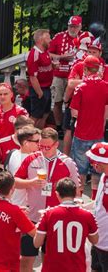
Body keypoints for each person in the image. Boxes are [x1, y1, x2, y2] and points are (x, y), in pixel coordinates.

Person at [14, 127, 80, 271]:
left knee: (49, 261)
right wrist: (30, 183)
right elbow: (14, 182)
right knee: (25, 260)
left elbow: (77, 192)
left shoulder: (68, 163)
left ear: (56, 145)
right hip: (32, 219)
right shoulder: (31, 158)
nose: (43, 149)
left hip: (55, 221)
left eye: (47, 147)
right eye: (40, 145)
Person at [34, 178, 99, 272]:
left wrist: (39, 224)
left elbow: (37, 243)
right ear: (75, 193)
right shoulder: (87, 215)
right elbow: (95, 240)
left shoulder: (48, 214)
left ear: (57, 194)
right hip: (77, 267)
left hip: (52, 268)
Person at [70, 55, 108, 199]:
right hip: (98, 134)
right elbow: (106, 110)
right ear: (98, 69)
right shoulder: (105, 86)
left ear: (85, 69)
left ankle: (79, 199)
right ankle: (94, 199)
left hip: (81, 134)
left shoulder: (81, 87)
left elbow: (74, 112)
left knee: (80, 170)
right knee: (97, 170)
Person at [0, 171, 36, 271]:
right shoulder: (14, 211)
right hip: (6, 264)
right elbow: (34, 233)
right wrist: (43, 218)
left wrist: (18, 211)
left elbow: (1, 208)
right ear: (12, 189)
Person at [49, 16, 83, 135]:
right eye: (70, 26)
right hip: (59, 75)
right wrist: (63, 57)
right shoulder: (59, 37)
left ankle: (71, 125)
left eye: (75, 26)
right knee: (58, 101)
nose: (72, 29)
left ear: (80, 27)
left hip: (76, 77)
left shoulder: (85, 38)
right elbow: (48, 53)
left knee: (74, 102)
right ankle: (59, 127)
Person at [4, 125, 41, 207]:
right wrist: (33, 183)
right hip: (21, 206)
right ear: (25, 143)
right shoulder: (29, 160)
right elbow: (15, 182)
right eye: (37, 141)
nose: (40, 143)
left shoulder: (13, 153)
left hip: (12, 201)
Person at [85, 142, 108, 272]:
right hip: (98, 239)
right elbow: (98, 202)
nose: (92, 164)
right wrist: (84, 206)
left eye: (94, 161)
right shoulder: (104, 176)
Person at [27, 29, 53, 128]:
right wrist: (40, 93)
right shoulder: (34, 54)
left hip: (47, 87)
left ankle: (38, 135)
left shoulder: (45, 51)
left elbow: (45, 67)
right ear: (40, 40)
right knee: (35, 116)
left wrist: (53, 66)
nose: (50, 40)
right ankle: (23, 136)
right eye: (48, 38)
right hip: (40, 89)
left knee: (45, 113)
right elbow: (33, 77)